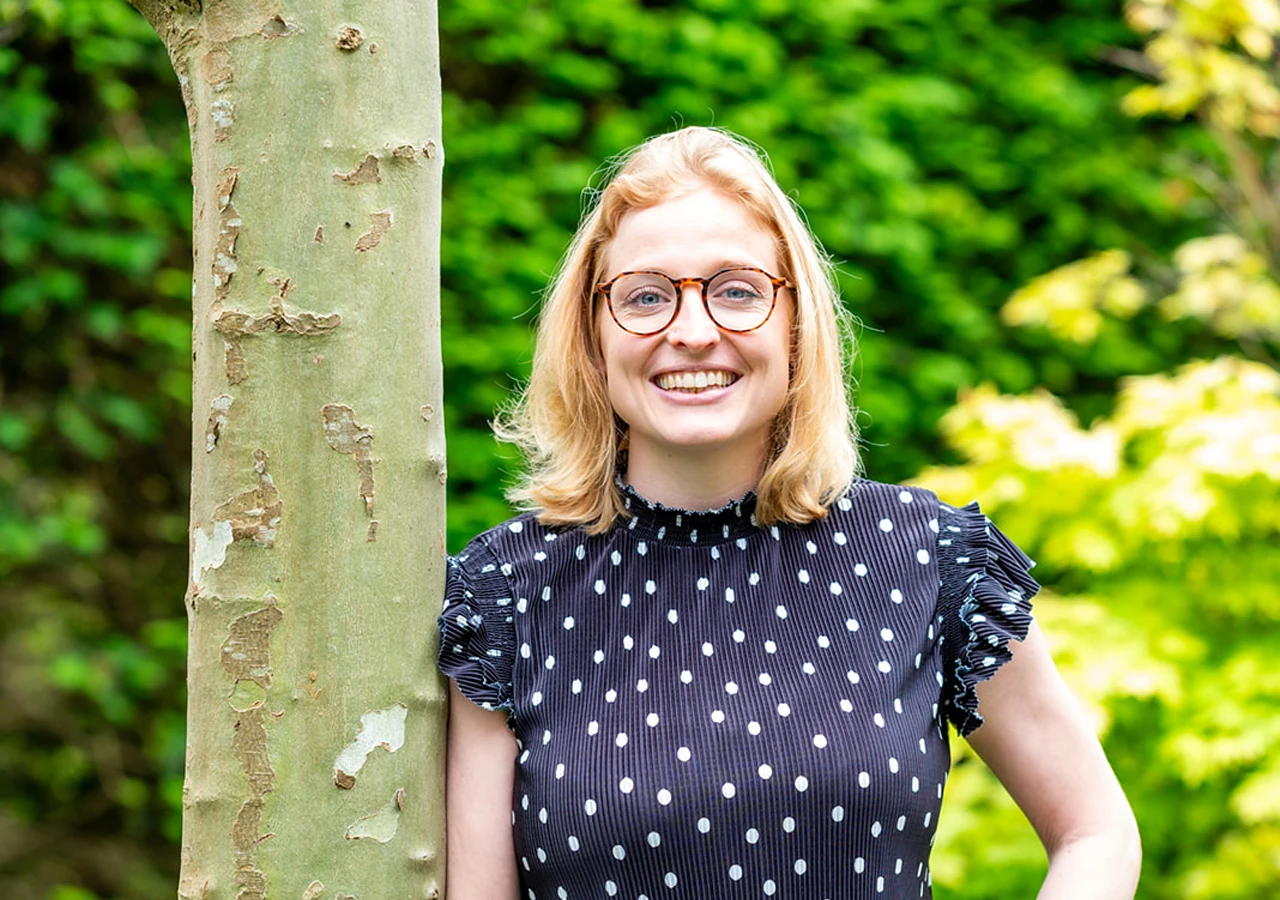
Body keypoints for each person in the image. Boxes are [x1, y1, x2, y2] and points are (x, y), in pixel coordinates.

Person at [438, 126, 1141, 900]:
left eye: (737, 290)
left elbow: (1095, 832)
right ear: (591, 336)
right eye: (645, 296)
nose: (694, 332)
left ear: (797, 324)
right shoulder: (505, 591)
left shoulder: (921, 557)